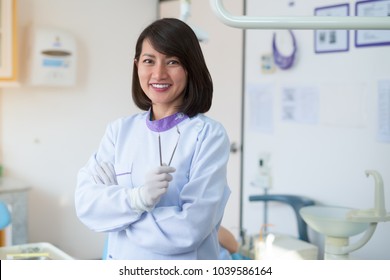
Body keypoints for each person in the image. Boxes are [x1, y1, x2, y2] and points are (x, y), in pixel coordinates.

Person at [75, 18, 231, 260]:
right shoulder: (119, 132)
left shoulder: (208, 135)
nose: (159, 73)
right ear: (137, 65)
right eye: (149, 61)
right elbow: (87, 206)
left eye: (172, 62)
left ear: (190, 67)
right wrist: (137, 199)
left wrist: (119, 215)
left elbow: (189, 229)